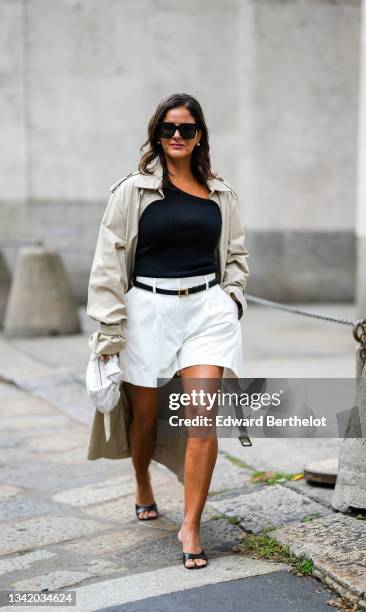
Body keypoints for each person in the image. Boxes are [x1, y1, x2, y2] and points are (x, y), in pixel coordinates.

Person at [88, 93, 249, 569]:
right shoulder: (131, 191)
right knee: (144, 418)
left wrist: (232, 299)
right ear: (156, 135)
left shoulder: (221, 192)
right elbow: (107, 263)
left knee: (202, 418)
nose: (177, 136)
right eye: (168, 129)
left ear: (200, 135)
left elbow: (237, 255)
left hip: (207, 312)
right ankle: (142, 481)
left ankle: (191, 524)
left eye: (187, 128)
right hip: (148, 312)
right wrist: (109, 330)